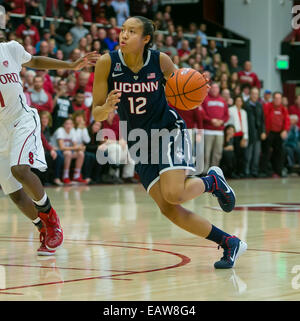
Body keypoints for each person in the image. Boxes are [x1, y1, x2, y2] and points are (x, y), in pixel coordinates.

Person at [92, 16, 247, 269]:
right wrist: (106, 107)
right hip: (138, 142)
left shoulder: (160, 61)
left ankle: (212, 182)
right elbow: (95, 113)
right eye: (122, 30)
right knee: (168, 208)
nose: (123, 35)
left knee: (174, 194)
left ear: (145, 39)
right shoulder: (106, 63)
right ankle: (229, 242)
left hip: (168, 130)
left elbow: (183, 88)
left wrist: (195, 88)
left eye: (131, 31)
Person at [0, 31, 99, 256]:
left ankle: (51, 219)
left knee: (20, 170)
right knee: (14, 194)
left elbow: (34, 61)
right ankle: (42, 228)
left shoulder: (10, 49)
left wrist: (71, 66)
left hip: (21, 120)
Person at [261, 92, 290, 177]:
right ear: (273, 99)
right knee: (266, 152)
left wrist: (285, 130)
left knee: (279, 153)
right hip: (269, 132)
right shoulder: (267, 106)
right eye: (276, 98)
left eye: (279, 98)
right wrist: (264, 131)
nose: (277, 100)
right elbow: (263, 119)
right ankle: (264, 171)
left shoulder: (283, 109)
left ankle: (278, 171)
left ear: (281, 100)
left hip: (279, 133)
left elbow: (287, 121)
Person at [51, 118, 88, 185]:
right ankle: (65, 176)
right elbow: (62, 147)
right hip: (56, 150)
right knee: (68, 153)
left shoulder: (72, 131)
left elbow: (75, 145)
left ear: (73, 125)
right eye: (67, 123)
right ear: (64, 125)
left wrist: (80, 148)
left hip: (66, 151)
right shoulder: (60, 130)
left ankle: (76, 176)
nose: (69, 125)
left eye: (70, 124)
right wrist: (77, 147)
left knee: (81, 153)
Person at [244, 87, 266, 178]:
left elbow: (262, 120)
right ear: (250, 94)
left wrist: (263, 131)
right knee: (248, 154)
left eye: (256, 94)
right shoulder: (245, 105)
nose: (254, 95)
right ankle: (246, 171)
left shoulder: (259, 105)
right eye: (253, 93)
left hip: (258, 132)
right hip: (249, 132)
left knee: (257, 153)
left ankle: (254, 171)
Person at [226, 96, 248, 177]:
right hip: (233, 135)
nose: (239, 102)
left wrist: (245, 137)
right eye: (237, 100)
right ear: (235, 101)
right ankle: (233, 172)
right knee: (234, 155)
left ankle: (240, 172)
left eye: (240, 101)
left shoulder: (244, 112)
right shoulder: (231, 110)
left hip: (241, 136)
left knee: (242, 156)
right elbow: (228, 123)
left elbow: (245, 125)